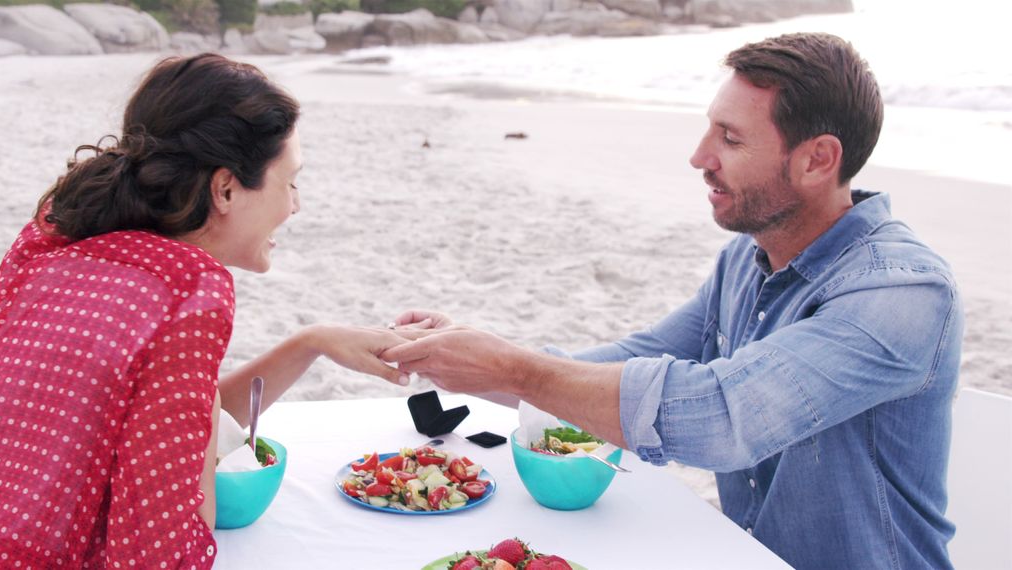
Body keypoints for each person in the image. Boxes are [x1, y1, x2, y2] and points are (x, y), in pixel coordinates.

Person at [383, 32, 963, 569]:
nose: (699, 156)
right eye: (711, 128)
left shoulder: (903, 292)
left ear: (816, 160)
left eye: (730, 138)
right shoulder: (747, 259)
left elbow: (722, 418)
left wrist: (511, 366)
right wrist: (460, 356)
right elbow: (626, 362)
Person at [0, 54, 410, 568]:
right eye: (290, 182)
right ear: (225, 188)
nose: (296, 205)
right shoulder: (188, 287)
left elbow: (166, 420)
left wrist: (312, 342)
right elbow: (158, 543)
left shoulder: (51, 244)